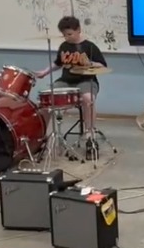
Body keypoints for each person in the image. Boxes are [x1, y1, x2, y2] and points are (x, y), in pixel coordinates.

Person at [35, 16, 107, 157]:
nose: (67, 37)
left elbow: (102, 65)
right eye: (64, 35)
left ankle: (90, 134)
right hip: (66, 81)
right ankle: (41, 136)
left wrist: (90, 63)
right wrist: (45, 72)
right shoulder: (64, 46)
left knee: (88, 99)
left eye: (69, 34)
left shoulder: (90, 46)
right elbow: (58, 63)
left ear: (78, 30)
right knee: (45, 99)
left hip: (86, 80)